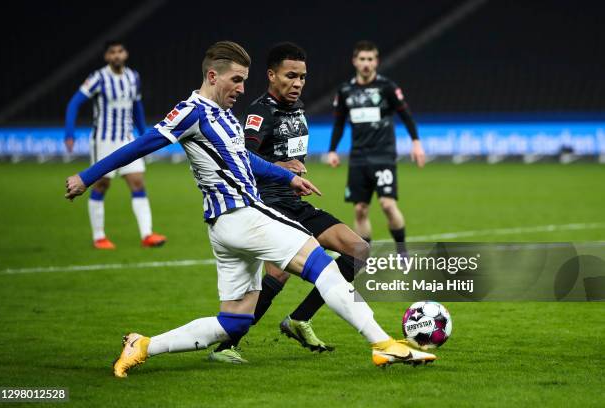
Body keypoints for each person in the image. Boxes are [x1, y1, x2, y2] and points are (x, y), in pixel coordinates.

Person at [64, 41, 436, 378]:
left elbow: (244, 160)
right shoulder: (191, 112)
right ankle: (383, 343)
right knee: (321, 262)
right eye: (236, 80)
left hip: (225, 228)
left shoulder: (224, 117)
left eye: (244, 81)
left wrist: (287, 177)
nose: (242, 89)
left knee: (234, 321)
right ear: (213, 76)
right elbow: (140, 145)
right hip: (242, 214)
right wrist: (87, 175)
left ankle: (143, 345)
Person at [210, 42, 368, 363]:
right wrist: (282, 170)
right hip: (269, 206)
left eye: (302, 77)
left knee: (359, 250)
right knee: (277, 275)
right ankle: (225, 346)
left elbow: (290, 154)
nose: (297, 83)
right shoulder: (260, 113)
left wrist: (295, 173)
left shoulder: (297, 109)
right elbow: (241, 159)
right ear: (271, 75)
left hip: (294, 203)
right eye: (290, 76)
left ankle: (299, 319)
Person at [65, 40, 166, 249]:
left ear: (126, 54)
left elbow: (137, 106)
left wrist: (143, 135)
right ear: (107, 57)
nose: (117, 55)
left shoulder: (133, 77)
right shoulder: (97, 78)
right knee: (101, 184)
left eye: (120, 51)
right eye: (113, 52)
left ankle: (147, 234)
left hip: (127, 138)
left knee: (137, 182)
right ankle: (99, 237)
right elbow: (74, 103)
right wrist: (69, 133)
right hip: (103, 140)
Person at [327, 40, 425, 251]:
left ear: (376, 62)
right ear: (355, 61)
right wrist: (333, 150)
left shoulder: (387, 87)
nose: (366, 64)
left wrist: (416, 143)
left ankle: (401, 250)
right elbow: (339, 123)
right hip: (359, 158)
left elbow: (406, 116)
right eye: (362, 59)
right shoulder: (345, 91)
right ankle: (364, 259)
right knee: (360, 210)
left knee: (388, 205)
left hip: (383, 155)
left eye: (370, 59)